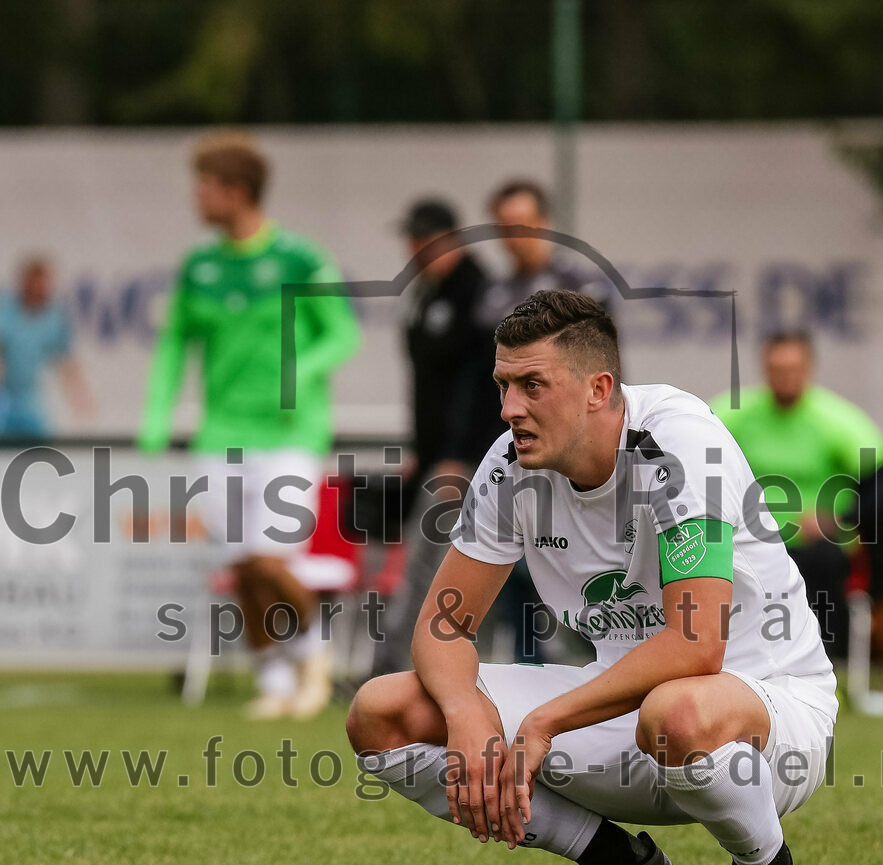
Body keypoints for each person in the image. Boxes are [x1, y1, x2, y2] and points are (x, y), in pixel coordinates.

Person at [347, 289, 837, 865]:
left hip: (768, 724)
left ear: (597, 389)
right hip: (624, 712)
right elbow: (444, 626)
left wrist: (542, 723)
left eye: (532, 385)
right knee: (383, 714)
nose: (510, 408)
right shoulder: (508, 465)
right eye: (504, 385)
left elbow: (696, 646)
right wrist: (467, 716)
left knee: (678, 711)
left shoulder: (680, 443)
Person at [138, 133, 360, 720]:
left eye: (205, 185)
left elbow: (342, 332)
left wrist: (300, 368)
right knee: (240, 567)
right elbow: (173, 346)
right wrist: (157, 415)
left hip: (291, 434)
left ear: (236, 192)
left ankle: (315, 655)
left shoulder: (300, 258)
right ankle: (275, 677)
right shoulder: (199, 266)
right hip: (220, 435)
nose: (197, 196)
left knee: (270, 560)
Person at [480, 180, 611, 662]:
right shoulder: (491, 294)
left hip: (574, 452)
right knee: (514, 562)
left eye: (525, 224)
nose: (515, 235)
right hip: (510, 447)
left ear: (546, 224)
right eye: (505, 226)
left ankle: (594, 661)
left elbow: (606, 372)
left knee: (577, 563)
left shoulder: (583, 289)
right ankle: (526, 664)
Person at [372, 199, 502, 677]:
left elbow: (479, 388)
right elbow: (426, 389)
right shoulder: (426, 293)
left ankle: (403, 669)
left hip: (464, 462)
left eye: (424, 240)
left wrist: (456, 456)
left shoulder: (478, 293)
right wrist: (421, 451)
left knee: (432, 568)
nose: (415, 249)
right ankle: (404, 667)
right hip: (436, 458)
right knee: (422, 565)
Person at [711, 330, 883, 658]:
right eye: (777, 369)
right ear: (765, 368)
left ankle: (827, 661)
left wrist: (840, 519)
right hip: (750, 540)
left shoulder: (834, 418)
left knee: (820, 562)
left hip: (816, 545)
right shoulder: (736, 413)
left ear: (808, 368)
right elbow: (696, 455)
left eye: (793, 368)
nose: (785, 377)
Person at [0, 257, 91, 439]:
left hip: (28, 398)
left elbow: (65, 360)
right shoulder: (4, 310)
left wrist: (80, 398)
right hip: (4, 395)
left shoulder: (53, 319)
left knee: (42, 445)